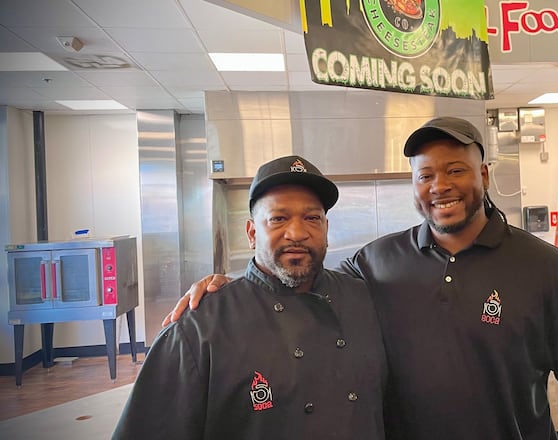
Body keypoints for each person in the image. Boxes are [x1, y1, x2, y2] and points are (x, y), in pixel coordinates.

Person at [165, 117, 558, 440]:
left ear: (484, 175)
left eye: (456, 170)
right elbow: (298, 285)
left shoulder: (549, 269)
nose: (440, 186)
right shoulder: (373, 264)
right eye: (425, 174)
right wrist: (230, 288)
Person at [114, 156, 386, 439]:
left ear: (326, 229)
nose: (297, 233)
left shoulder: (362, 298)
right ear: (252, 233)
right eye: (278, 218)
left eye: (312, 218)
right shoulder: (199, 327)